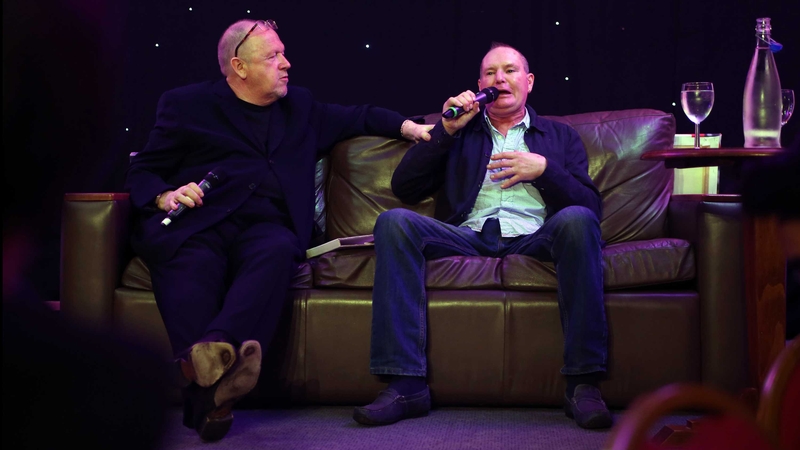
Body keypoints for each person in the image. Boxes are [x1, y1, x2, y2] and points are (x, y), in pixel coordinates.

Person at [125, 18, 432, 442]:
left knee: (275, 252)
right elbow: (143, 169)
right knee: (188, 262)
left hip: (267, 228)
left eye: (283, 53)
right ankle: (217, 380)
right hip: (201, 223)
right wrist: (165, 196)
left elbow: (358, 116)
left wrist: (409, 128)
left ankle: (210, 357)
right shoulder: (187, 105)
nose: (287, 63)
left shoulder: (300, 107)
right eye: (273, 56)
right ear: (239, 67)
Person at [353, 42, 612, 429]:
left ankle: (583, 384)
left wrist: (544, 170)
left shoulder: (559, 137)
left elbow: (590, 208)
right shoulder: (462, 130)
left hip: (535, 235)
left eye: (509, 70)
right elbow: (405, 187)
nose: (499, 79)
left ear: (529, 81)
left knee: (577, 220)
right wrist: (445, 130)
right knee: (394, 222)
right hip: (469, 234)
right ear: (479, 85)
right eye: (490, 73)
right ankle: (406, 384)